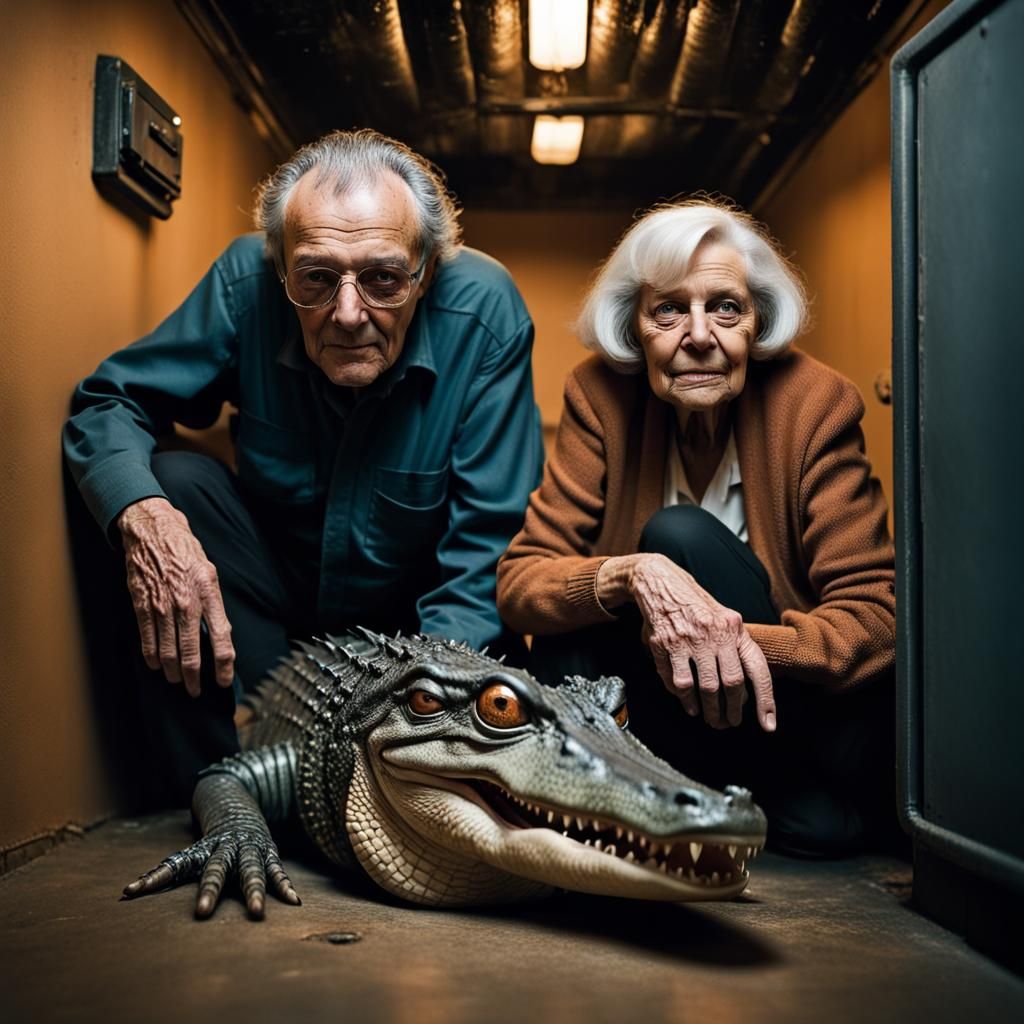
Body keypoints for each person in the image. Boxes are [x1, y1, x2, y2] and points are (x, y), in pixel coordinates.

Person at [64, 129, 543, 803]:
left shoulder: (484, 311)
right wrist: (145, 521)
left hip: (411, 638)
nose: (348, 314)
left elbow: (483, 551)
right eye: (317, 279)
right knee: (173, 484)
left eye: (382, 279)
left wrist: (402, 711)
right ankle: (215, 798)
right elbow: (108, 402)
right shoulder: (245, 282)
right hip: (268, 628)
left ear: (426, 271)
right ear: (282, 265)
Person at [497, 199, 896, 858]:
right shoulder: (600, 397)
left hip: (788, 715)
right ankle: (732, 804)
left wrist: (729, 641)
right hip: (670, 706)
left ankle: (749, 796)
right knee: (568, 652)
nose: (700, 334)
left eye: (726, 308)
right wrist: (631, 576)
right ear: (635, 328)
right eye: (669, 310)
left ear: (758, 322)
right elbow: (522, 581)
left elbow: (875, 619)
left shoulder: (814, 403)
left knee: (680, 534)